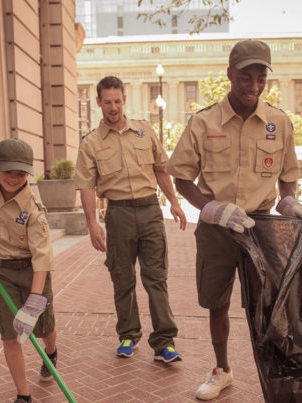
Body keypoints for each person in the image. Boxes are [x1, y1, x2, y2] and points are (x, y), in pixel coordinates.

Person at [166, 39, 302, 401]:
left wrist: (289, 200)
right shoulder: (203, 122)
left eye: (260, 77)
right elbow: (181, 175)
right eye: (246, 77)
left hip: (260, 226)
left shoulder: (279, 122)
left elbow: (288, 173)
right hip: (218, 228)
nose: (253, 85)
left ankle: (275, 374)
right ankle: (222, 370)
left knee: (269, 305)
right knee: (217, 302)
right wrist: (209, 208)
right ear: (230, 74)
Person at [75, 76, 188, 363]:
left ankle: (164, 342)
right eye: (107, 102)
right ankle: (128, 334)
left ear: (124, 100)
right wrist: (92, 225)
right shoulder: (91, 143)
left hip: (150, 210)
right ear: (99, 102)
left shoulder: (144, 131)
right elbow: (86, 185)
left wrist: (173, 202)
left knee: (156, 278)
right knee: (122, 278)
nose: (113, 107)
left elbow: (161, 169)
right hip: (118, 214)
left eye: (117, 101)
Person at [0, 138, 59, 403]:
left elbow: (43, 260)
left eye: (21, 174)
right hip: (2, 271)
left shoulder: (34, 210)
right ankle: (23, 395)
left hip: (33, 272)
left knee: (42, 327)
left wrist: (33, 305)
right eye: (8, 172)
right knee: (11, 336)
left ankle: (51, 352)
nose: (14, 179)